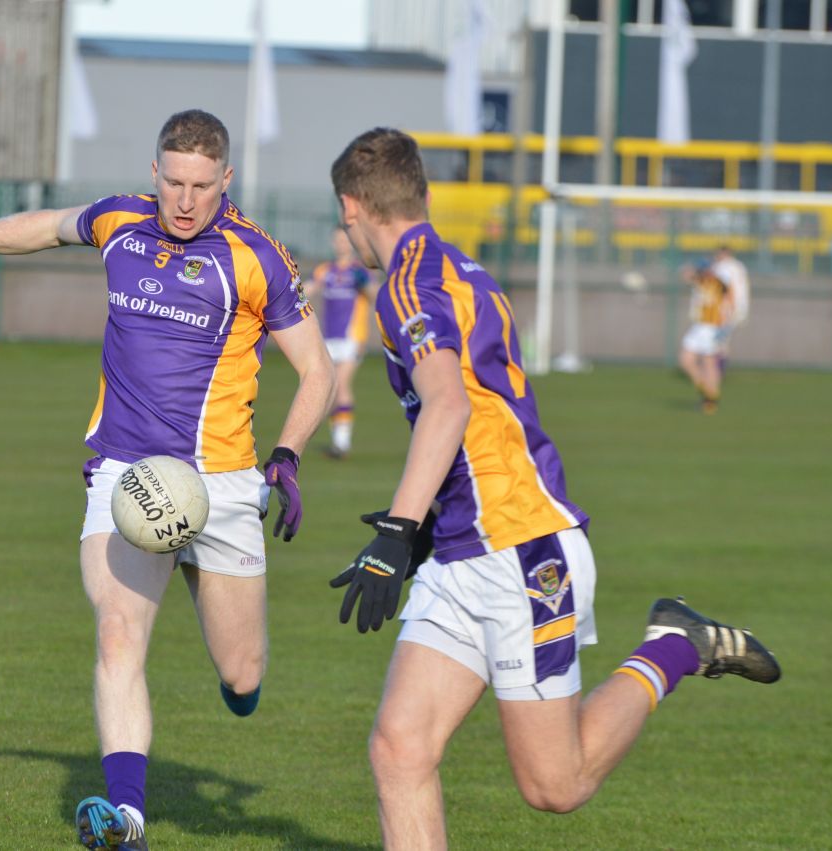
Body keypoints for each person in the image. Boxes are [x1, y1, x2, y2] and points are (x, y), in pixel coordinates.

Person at [0, 109, 335, 851]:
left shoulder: (256, 257)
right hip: (127, 475)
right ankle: (128, 822)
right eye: (173, 182)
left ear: (226, 180)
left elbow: (318, 369)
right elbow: (45, 226)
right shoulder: (122, 221)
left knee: (243, 674)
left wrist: (285, 453)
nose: (185, 201)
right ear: (155, 174)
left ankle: (205, 597)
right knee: (119, 634)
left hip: (219, 485)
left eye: (201, 185)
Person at [325, 128, 779, 850]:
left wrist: (394, 532)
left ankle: (673, 645)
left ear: (351, 208)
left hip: (520, 544)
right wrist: (423, 531)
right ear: (425, 195)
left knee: (554, 784)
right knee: (399, 748)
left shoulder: (408, 281)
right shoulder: (457, 267)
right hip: (463, 545)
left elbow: (449, 406)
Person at [307, 227, 376, 458]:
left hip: (352, 337)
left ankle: (342, 444)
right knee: (330, 388)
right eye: (337, 239)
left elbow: (376, 296)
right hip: (329, 337)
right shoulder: (325, 270)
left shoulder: (359, 272)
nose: (341, 244)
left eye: (345, 240)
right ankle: (337, 439)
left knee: (341, 385)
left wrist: (363, 284)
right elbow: (306, 291)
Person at [678, 258, 734, 414]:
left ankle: (711, 399)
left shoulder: (718, 283)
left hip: (713, 327)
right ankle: (706, 392)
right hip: (700, 326)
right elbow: (687, 276)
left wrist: (726, 326)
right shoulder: (702, 281)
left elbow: (729, 302)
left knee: (709, 363)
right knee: (686, 360)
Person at [710, 243, 750, 371]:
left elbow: (728, 289)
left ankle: (717, 372)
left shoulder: (723, 267)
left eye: (718, 253)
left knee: (717, 341)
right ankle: (717, 371)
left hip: (727, 308)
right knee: (721, 340)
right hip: (741, 307)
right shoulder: (739, 265)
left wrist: (728, 309)